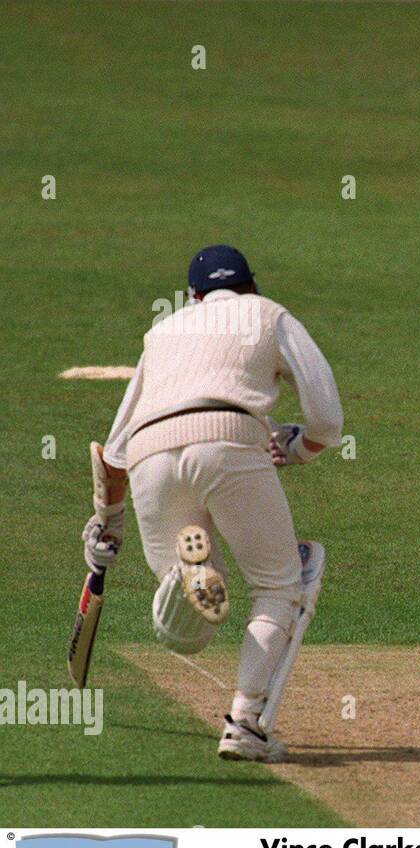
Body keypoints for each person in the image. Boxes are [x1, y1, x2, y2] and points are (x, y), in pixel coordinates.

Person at [82, 245, 342, 761]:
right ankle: (245, 724)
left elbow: (112, 455)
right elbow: (326, 415)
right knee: (278, 585)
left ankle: (185, 574)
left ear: (195, 296)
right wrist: (299, 448)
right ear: (252, 286)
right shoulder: (268, 314)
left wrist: (105, 527)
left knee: (189, 634)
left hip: (149, 455)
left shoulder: (163, 332)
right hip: (228, 439)